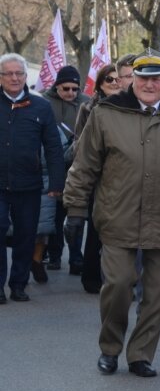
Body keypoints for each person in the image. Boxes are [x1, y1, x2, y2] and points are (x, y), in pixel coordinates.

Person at [63, 49, 160, 377]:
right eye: (144, 77)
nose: (150, 84)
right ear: (134, 80)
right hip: (118, 216)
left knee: (157, 295)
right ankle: (110, 348)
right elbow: (85, 164)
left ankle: (142, 354)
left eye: (157, 78)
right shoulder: (107, 113)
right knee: (117, 286)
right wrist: (74, 209)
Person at [0, 53, 65, 303]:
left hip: (29, 185)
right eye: (9, 73)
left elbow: (53, 147)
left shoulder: (41, 107)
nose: (15, 78)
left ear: (26, 77)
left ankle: (18, 284)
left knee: (26, 236)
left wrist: (57, 183)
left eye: (19, 73)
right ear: (1, 77)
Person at [70, 64, 122, 293]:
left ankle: (117, 277)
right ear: (100, 83)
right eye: (108, 79)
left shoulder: (129, 108)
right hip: (96, 177)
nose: (114, 83)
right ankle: (91, 276)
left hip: (121, 178)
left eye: (117, 79)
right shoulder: (88, 107)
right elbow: (78, 141)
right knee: (96, 229)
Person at [43, 65, 90, 275]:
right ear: (57, 87)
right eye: (66, 88)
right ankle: (54, 254)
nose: (71, 93)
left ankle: (75, 257)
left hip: (79, 169)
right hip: (54, 167)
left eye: (74, 88)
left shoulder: (87, 103)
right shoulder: (44, 103)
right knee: (55, 216)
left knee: (75, 215)